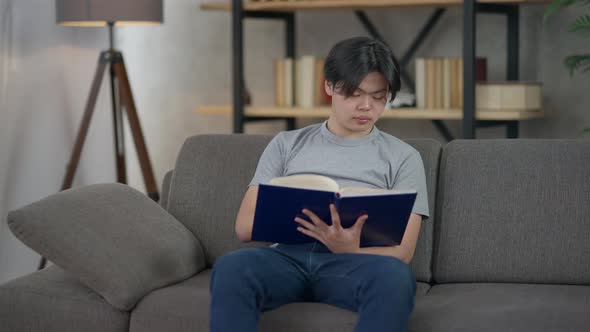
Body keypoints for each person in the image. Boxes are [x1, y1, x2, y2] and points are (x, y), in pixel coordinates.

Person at [210, 36, 429, 332]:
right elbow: (243, 227)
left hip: (354, 264)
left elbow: (403, 251)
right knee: (231, 267)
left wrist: (349, 247)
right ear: (329, 86)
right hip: (286, 258)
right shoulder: (287, 144)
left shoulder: (404, 157)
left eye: (379, 96)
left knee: (396, 277)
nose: (366, 106)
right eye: (354, 93)